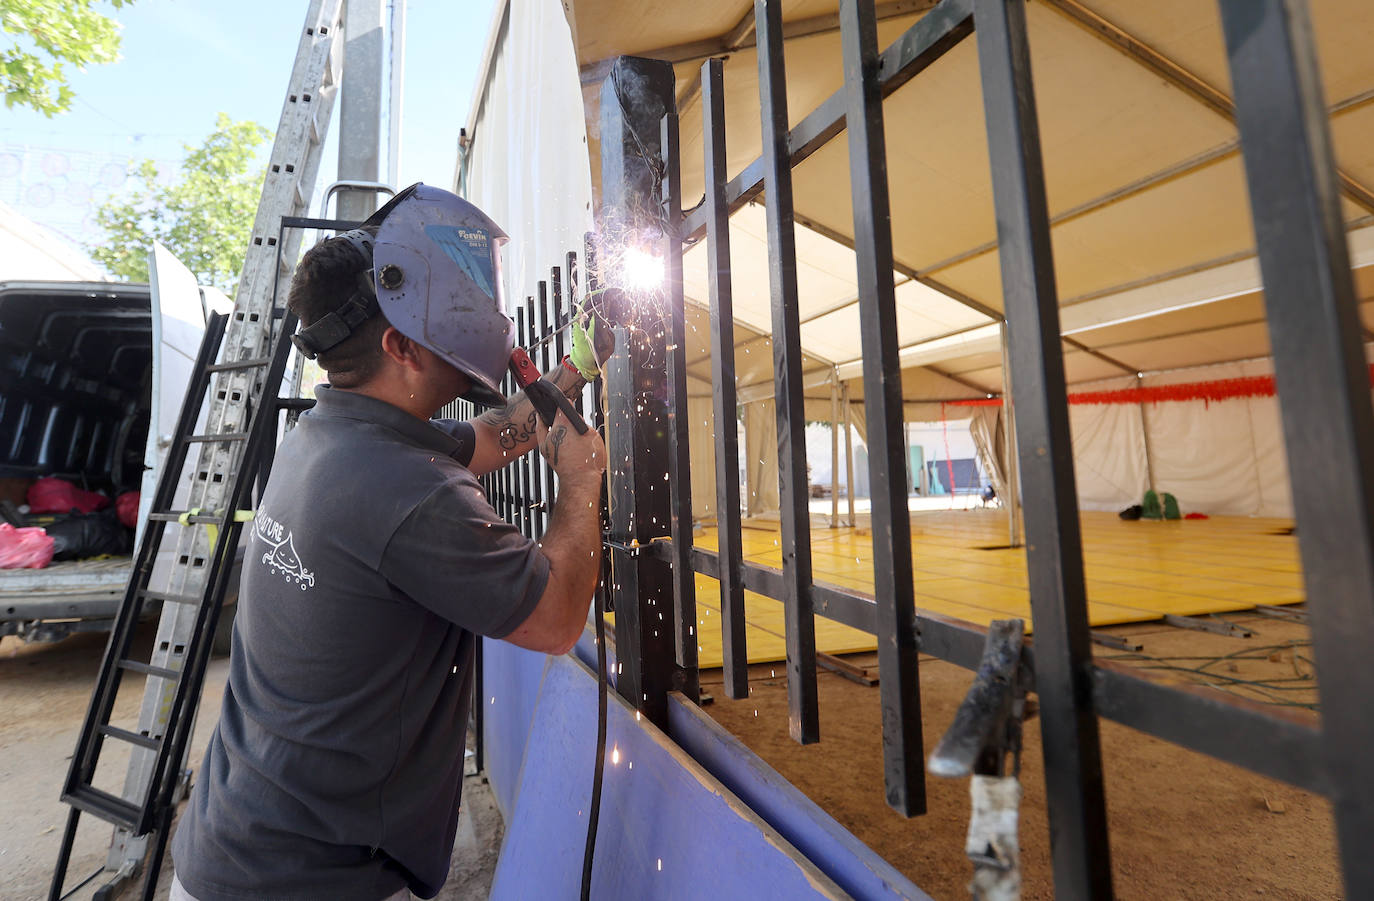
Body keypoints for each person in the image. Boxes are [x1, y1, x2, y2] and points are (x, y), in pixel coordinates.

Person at [169, 184, 610, 901]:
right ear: (401, 343)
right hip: (310, 881)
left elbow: (496, 437)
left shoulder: (332, 438)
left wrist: (571, 373)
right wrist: (581, 484)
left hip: (234, 846)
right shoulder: (411, 491)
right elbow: (558, 618)